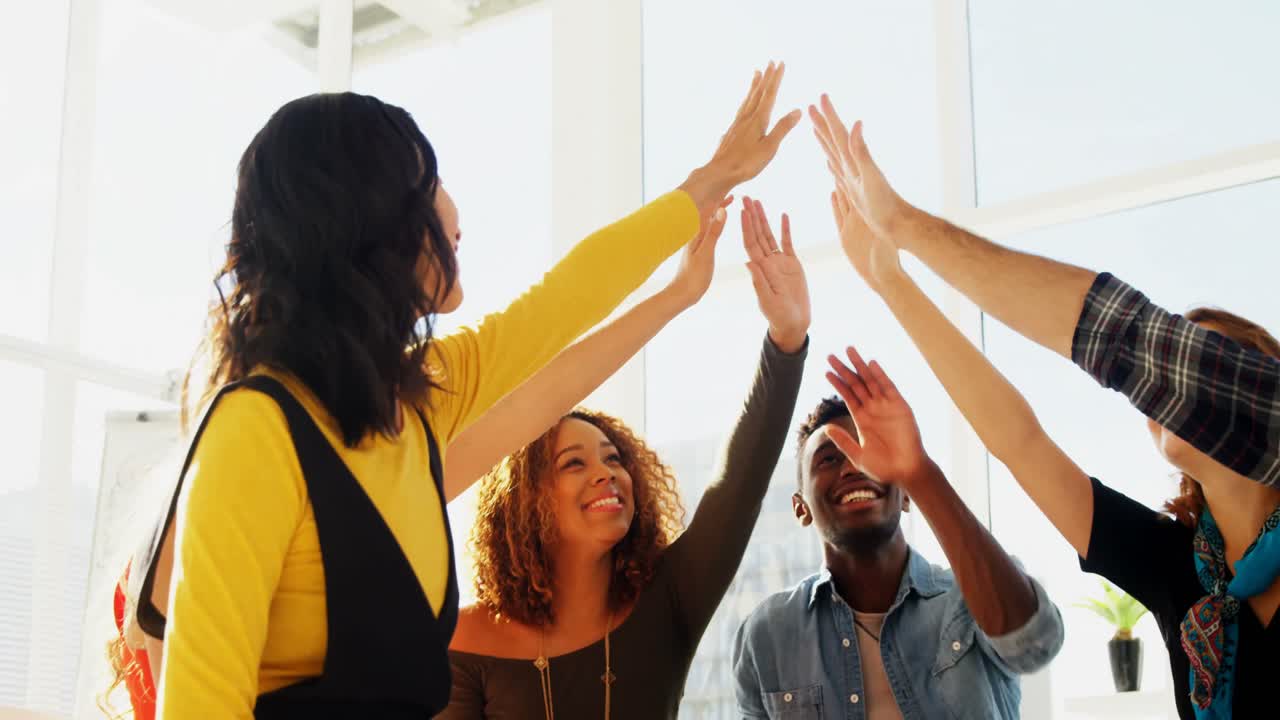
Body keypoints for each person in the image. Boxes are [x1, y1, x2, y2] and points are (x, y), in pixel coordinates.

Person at [123, 62, 800, 719]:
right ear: (371, 221)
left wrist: (708, 191)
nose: (453, 210)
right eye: (430, 184)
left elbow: (563, 303)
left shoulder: (412, 413)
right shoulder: (256, 430)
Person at [812, 94, 1280, 718]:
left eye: (1196, 368)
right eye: (1159, 383)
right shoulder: (1177, 569)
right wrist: (892, 281)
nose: (1166, 390)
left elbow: (1121, 333)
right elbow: (1020, 441)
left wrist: (906, 225)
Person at [440, 197, 811, 719]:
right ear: (526, 503)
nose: (605, 473)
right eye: (574, 463)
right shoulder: (461, 639)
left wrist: (787, 339)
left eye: (613, 459)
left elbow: (739, 484)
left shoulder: (670, 598)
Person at [732, 356, 1063, 719]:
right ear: (801, 508)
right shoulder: (768, 633)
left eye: (871, 453)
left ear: (906, 493)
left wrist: (918, 470)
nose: (854, 466)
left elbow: (1035, 646)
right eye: (829, 459)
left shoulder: (971, 599)